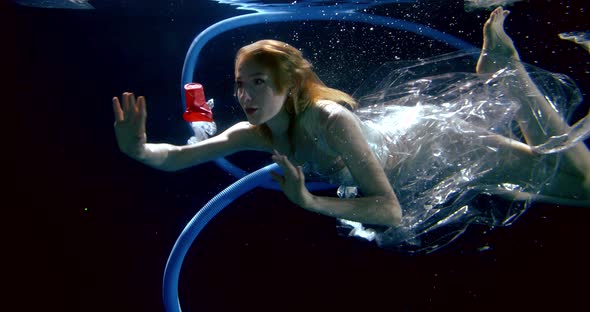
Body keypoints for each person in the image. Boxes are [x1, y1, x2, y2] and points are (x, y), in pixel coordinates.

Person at [113, 7, 590, 239]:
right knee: (567, 190)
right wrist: (137, 148)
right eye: (240, 84)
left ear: (290, 84)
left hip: (444, 145)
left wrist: (310, 202)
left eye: (257, 83)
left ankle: (507, 69)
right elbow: (175, 158)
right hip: (425, 166)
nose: (244, 96)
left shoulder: (330, 119)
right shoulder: (251, 135)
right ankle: (504, 73)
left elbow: (388, 211)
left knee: (583, 185)